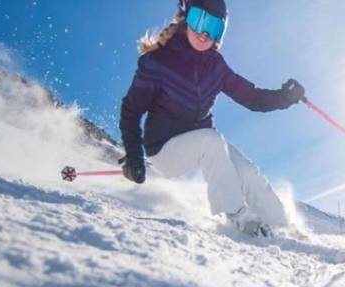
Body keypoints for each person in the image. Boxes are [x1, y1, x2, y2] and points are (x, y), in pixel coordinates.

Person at [119, 0, 305, 236]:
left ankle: (283, 227)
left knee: (248, 172)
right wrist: (134, 155)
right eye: (200, 20)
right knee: (212, 141)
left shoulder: (215, 66)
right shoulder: (159, 62)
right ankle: (237, 215)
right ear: (185, 17)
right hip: (164, 150)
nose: (205, 33)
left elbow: (252, 98)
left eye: (215, 27)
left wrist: (284, 97)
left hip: (204, 144)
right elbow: (131, 110)